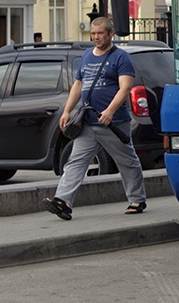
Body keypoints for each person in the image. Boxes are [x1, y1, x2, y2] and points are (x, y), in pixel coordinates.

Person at [44, 17, 146, 220]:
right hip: (88, 121)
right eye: (93, 33)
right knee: (75, 161)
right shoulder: (87, 56)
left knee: (126, 160)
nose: (96, 37)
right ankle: (62, 201)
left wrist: (109, 111)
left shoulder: (121, 57)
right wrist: (67, 111)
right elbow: (78, 85)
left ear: (111, 33)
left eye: (100, 33)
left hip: (113, 123)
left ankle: (137, 199)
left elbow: (125, 87)